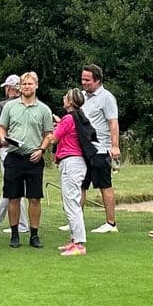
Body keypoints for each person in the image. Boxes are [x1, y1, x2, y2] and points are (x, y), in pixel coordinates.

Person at [0, 71, 55, 249]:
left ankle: (34, 234)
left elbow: (49, 134)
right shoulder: (10, 107)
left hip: (34, 157)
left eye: (30, 84)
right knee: (13, 197)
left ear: (36, 85)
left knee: (34, 198)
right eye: (24, 84)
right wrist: (2, 138)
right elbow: (1, 127)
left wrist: (41, 149)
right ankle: (15, 234)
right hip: (14, 156)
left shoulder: (44, 109)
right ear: (20, 87)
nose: (26, 87)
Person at [79, 64, 125, 233]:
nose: (83, 82)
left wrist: (115, 146)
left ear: (97, 80)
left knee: (104, 185)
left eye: (87, 80)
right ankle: (76, 221)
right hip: (83, 149)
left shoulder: (106, 97)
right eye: (82, 79)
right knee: (80, 185)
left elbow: (113, 122)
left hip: (100, 149)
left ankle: (111, 223)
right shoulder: (82, 96)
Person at [53, 88, 94, 255]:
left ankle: (79, 244)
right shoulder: (78, 117)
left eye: (66, 97)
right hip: (77, 162)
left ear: (70, 102)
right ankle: (74, 239)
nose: (63, 98)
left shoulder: (68, 118)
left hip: (71, 163)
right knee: (71, 202)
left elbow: (54, 138)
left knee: (72, 203)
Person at [0, 75, 26, 232]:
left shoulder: (3, 105)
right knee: (13, 186)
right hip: (25, 149)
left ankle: (20, 224)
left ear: (10, 88)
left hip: (8, 149)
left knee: (12, 187)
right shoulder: (27, 103)